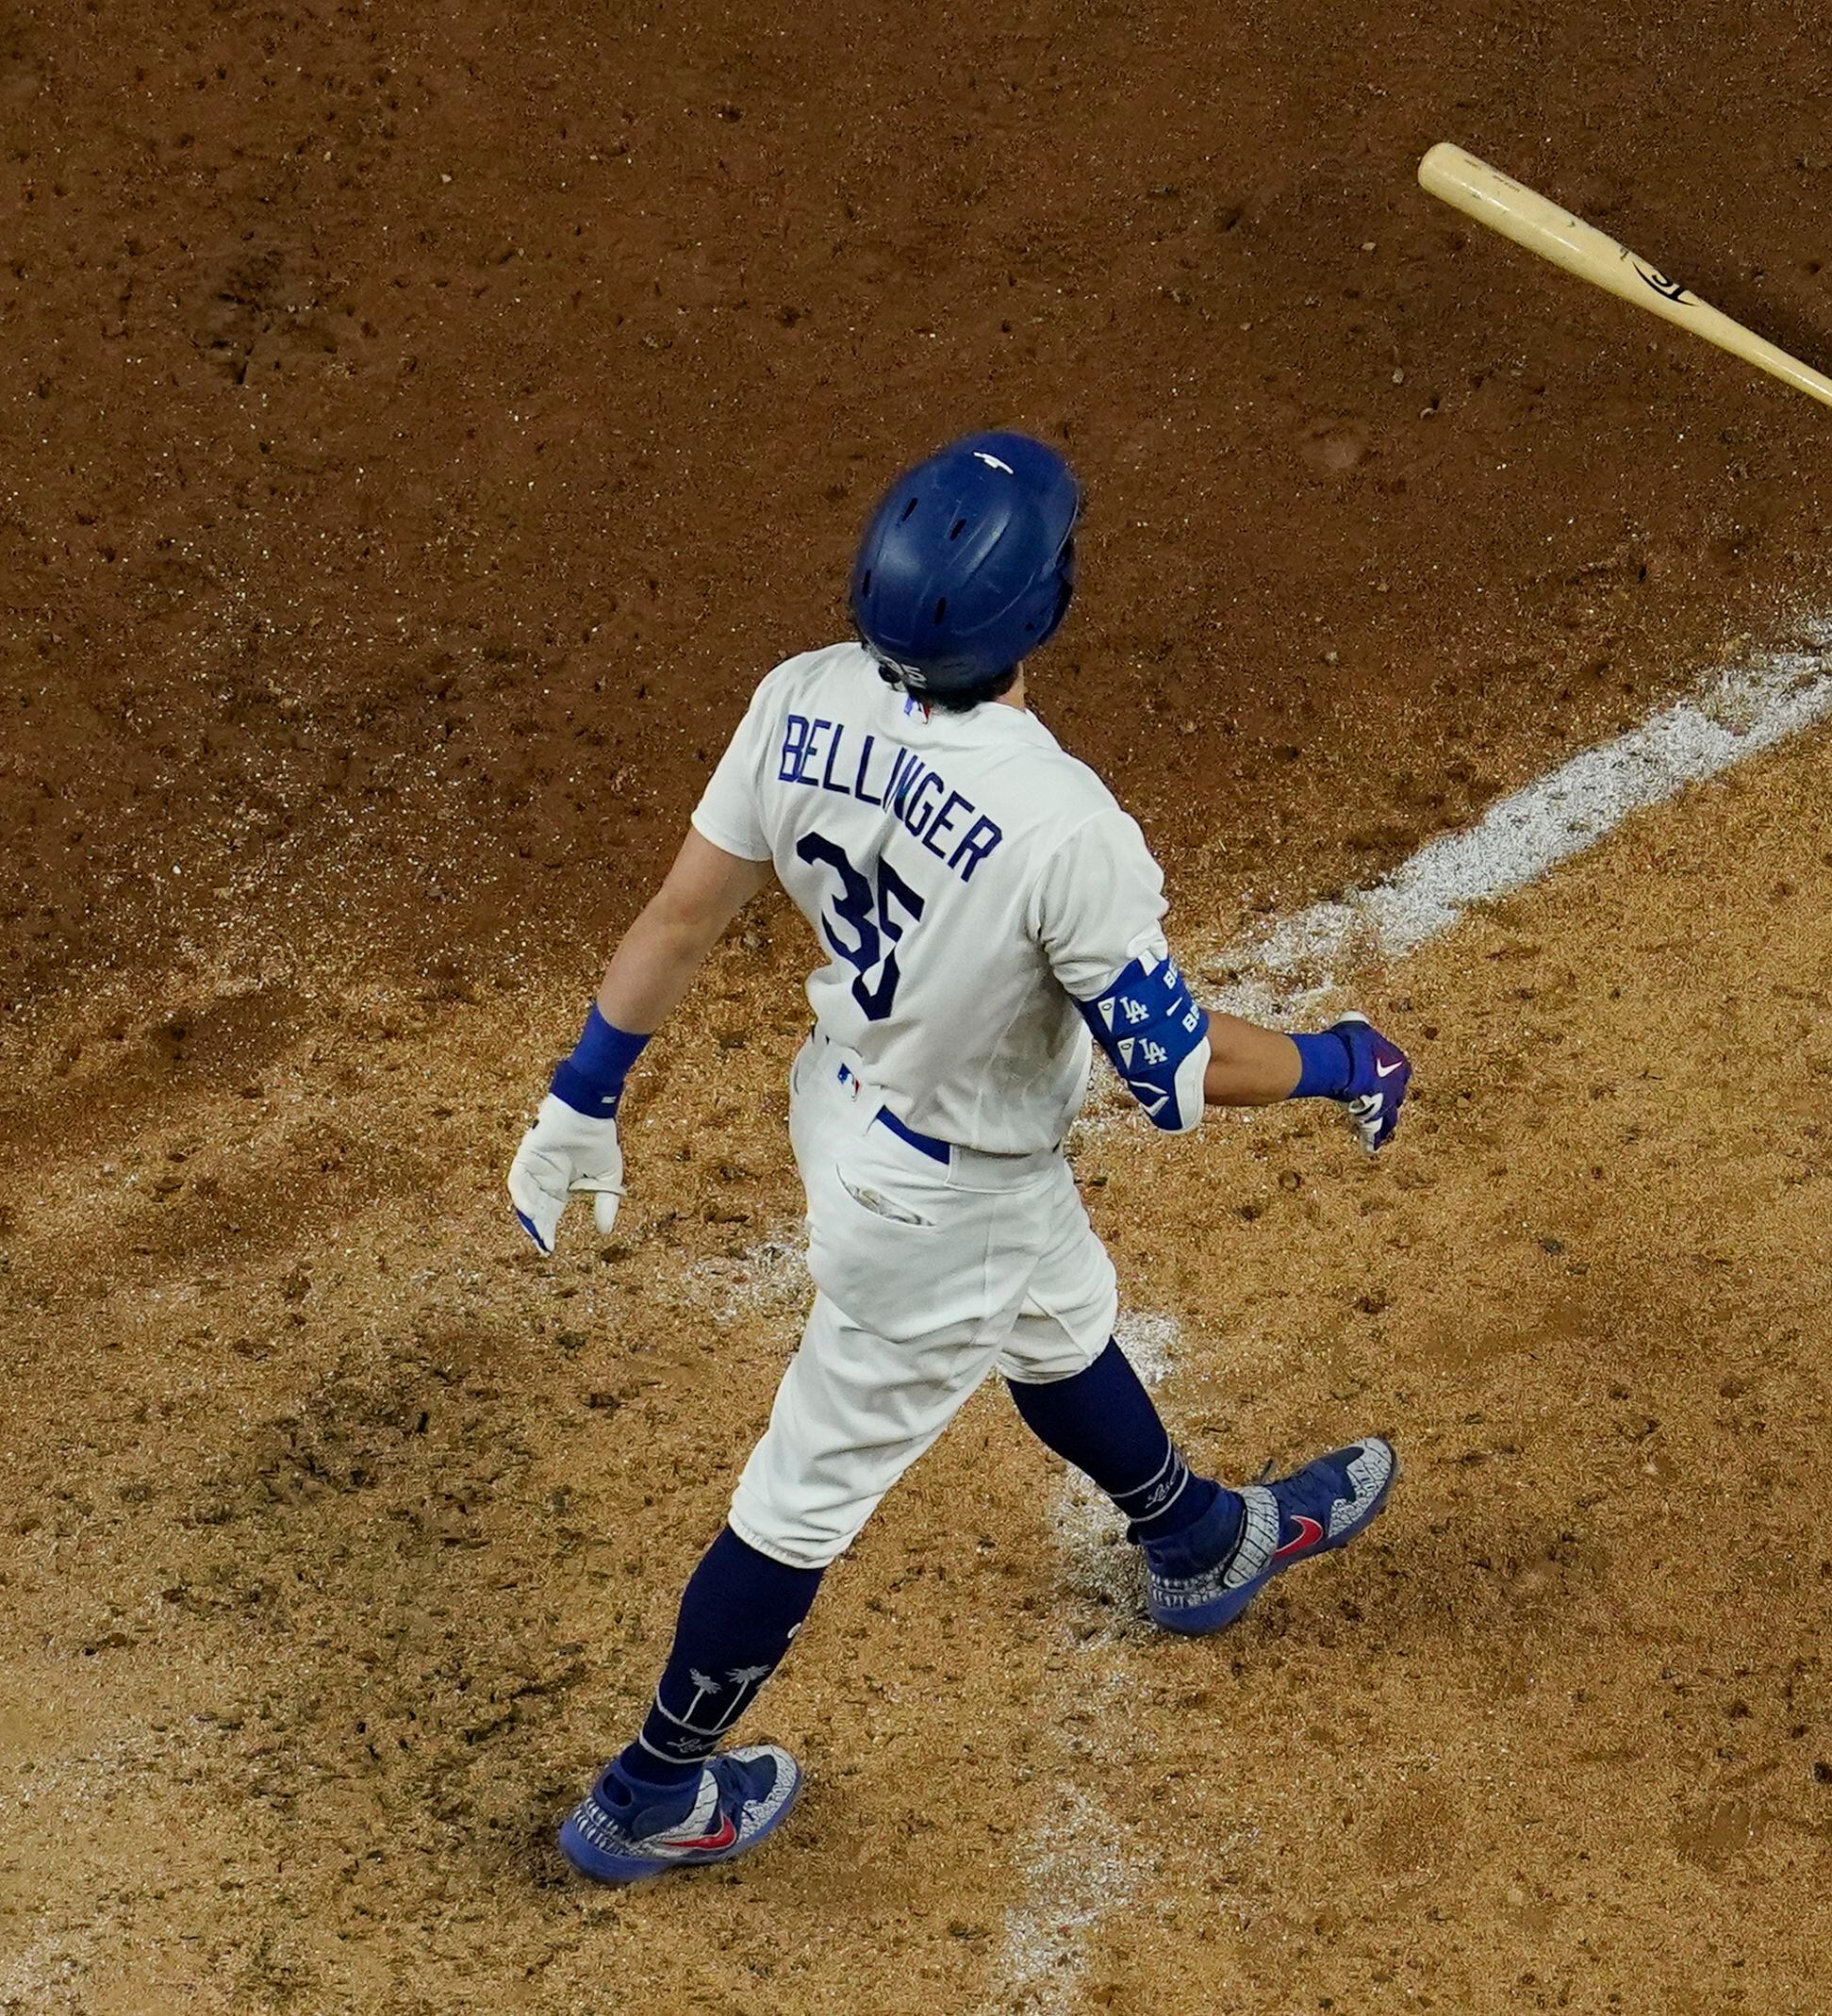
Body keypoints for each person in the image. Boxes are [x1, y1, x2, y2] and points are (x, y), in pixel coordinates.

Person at [506, 431, 1410, 1885]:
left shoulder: (797, 696)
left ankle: (1195, 1540)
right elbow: (1171, 1071)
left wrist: (583, 1093)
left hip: (847, 1104)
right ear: (1039, 617)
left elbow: (681, 917)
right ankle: (649, 1791)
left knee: (1058, 1313)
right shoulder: (1064, 825)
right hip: (940, 1199)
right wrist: (1336, 1057)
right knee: (801, 1495)